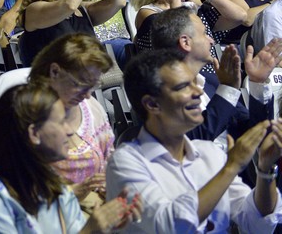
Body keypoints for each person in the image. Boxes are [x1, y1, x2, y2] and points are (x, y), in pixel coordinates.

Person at [107, 49, 282, 233]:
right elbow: (170, 226)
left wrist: (265, 171)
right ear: (152, 104)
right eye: (184, 86)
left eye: (194, 83)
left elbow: (255, 224)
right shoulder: (125, 162)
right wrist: (231, 167)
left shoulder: (209, 153)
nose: (198, 92)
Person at [0, 81, 141, 233]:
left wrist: (112, 226)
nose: (70, 131)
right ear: (34, 133)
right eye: (62, 122)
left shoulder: (53, 189)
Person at [150, 7, 279, 142]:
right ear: (185, 42)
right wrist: (228, 89)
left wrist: (258, 83)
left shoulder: (213, 81)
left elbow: (256, 133)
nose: (211, 40)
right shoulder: (160, 93)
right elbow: (191, 140)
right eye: (205, 34)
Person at [29, 34, 115, 211]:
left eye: (93, 86)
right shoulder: (27, 117)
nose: (88, 94)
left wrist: (111, 185)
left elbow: (110, 157)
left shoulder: (90, 107)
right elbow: (21, 195)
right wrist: (75, 192)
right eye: (82, 84)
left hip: (93, 203)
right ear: (55, 71)